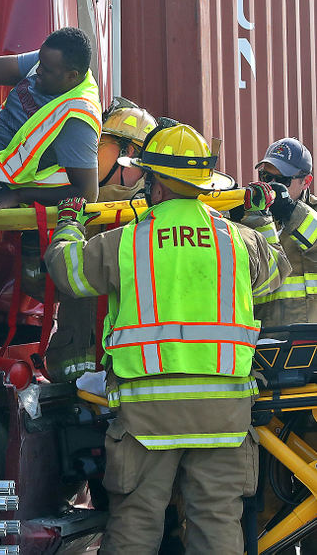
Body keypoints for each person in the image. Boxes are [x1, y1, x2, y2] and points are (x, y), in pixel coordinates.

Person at [42, 123, 289, 554]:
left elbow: (68, 272)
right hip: (223, 417)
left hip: (148, 416)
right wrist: (260, 217)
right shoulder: (238, 241)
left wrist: (68, 224)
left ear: (155, 186)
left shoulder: (127, 243)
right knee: (216, 524)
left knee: (137, 522)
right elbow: (275, 273)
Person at [45, 99, 158, 382]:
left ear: (129, 153)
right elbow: (43, 288)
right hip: (76, 376)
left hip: (125, 378)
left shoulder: (149, 216)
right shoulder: (83, 206)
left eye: (99, 145)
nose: (89, 154)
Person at [0, 27, 102, 215]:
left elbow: (87, 193)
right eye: (40, 62)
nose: (38, 70)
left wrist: (18, 196)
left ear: (72, 76)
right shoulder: (49, 62)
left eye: (46, 69)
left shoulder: (78, 119)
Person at [242, 137, 317, 325]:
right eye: (266, 177)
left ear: (306, 181)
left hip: (311, 339)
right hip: (267, 341)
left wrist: (291, 211)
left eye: (282, 180)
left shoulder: (311, 214)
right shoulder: (250, 217)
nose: (272, 185)